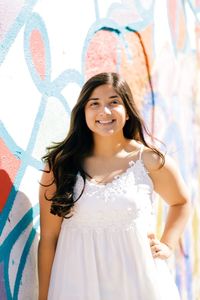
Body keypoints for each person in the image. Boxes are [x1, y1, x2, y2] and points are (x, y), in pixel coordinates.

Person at [38, 72, 190, 300]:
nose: (104, 112)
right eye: (94, 104)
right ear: (83, 112)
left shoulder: (149, 160)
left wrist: (167, 244)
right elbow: (48, 238)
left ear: (127, 111)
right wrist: (43, 296)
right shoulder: (61, 165)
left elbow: (182, 202)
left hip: (139, 285)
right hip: (76, 284)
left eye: (114, 102)